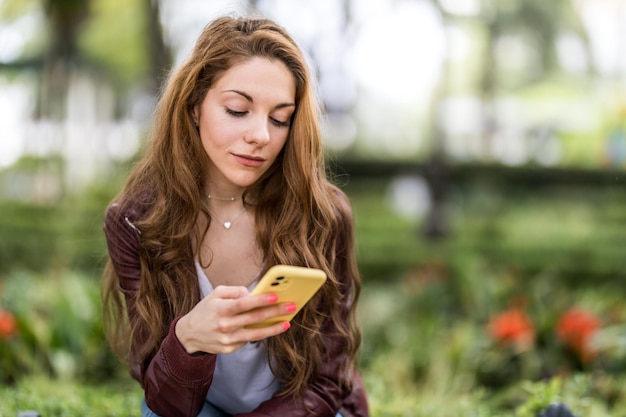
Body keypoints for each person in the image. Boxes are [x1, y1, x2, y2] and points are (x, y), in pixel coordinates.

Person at [101, 15, 368, 417]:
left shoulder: (323, 215)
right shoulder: (136, 221)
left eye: (280, 118)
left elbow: (327, 383)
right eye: (237, 109)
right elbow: (164, 400)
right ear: (194, 106)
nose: (261, 135)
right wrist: (187, 338)